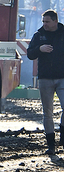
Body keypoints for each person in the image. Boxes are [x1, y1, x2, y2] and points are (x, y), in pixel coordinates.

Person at [27, 9, 64, 155]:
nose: (45, 24)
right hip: (45, 79)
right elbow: (30, 54)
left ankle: (62, 130)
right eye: (43, 21)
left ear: (56, 21)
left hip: (62, 77)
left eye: (47, 21)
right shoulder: (38, 35)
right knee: (47, 113)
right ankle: (51, 146)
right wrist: (39, 49)